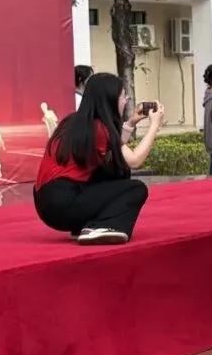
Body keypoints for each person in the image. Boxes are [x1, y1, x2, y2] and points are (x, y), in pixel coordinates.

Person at [34, 72, 160, 245]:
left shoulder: (74, 122)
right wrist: (154, 125)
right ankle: (102, 226)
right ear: (110, 99)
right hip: (63, 202)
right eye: (123, 95)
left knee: (117, 169)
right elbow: (135, 160)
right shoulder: (99, 128)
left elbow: (114, 150)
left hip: (46, 203)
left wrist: (130, 124)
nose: (127, 99)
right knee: (136, 188)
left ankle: (83, 226)